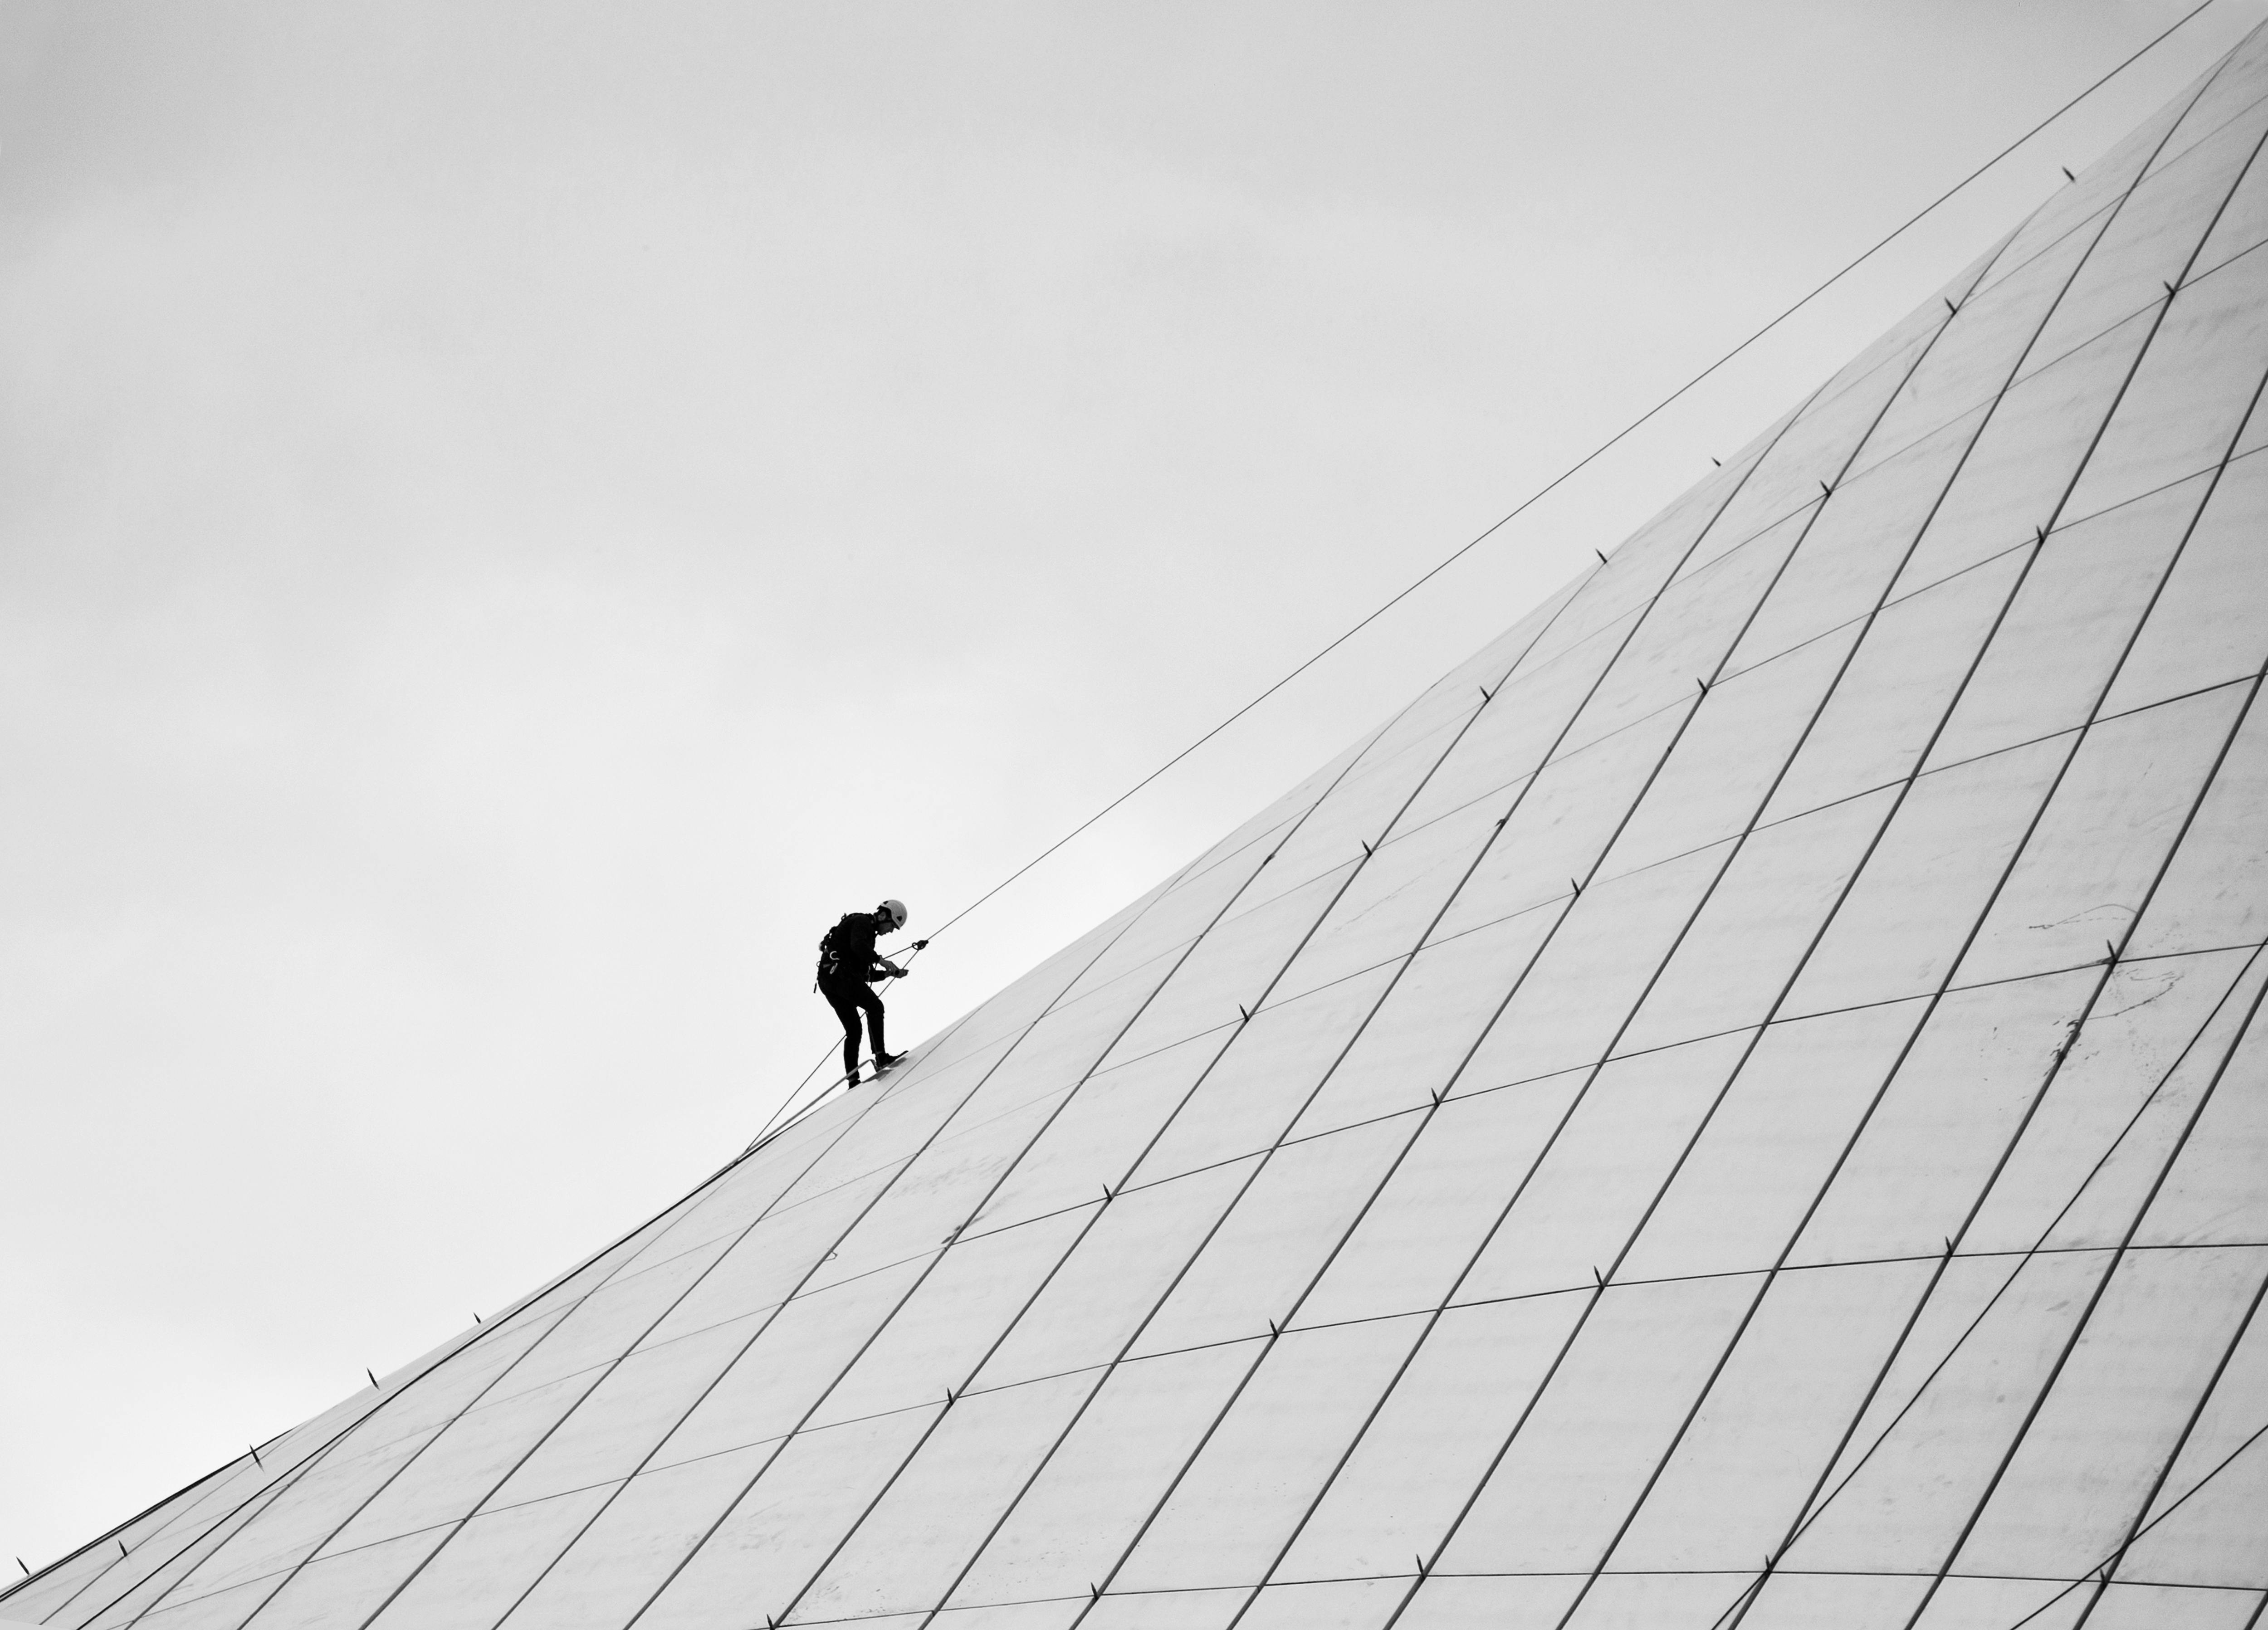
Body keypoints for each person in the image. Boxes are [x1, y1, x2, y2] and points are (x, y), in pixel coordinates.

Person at [816, 898, 922, 1085]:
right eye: (892, 926)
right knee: (875, 1007)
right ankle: (881, 1058)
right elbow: (859, 947)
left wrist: (889, 974)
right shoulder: (862, 923)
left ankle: (853, 1080)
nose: (890, 931)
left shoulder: (866, 937)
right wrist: (881, 960)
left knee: (854, 1030)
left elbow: (865, 975)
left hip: (829, 980)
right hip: (840, 977)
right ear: (883, 916)